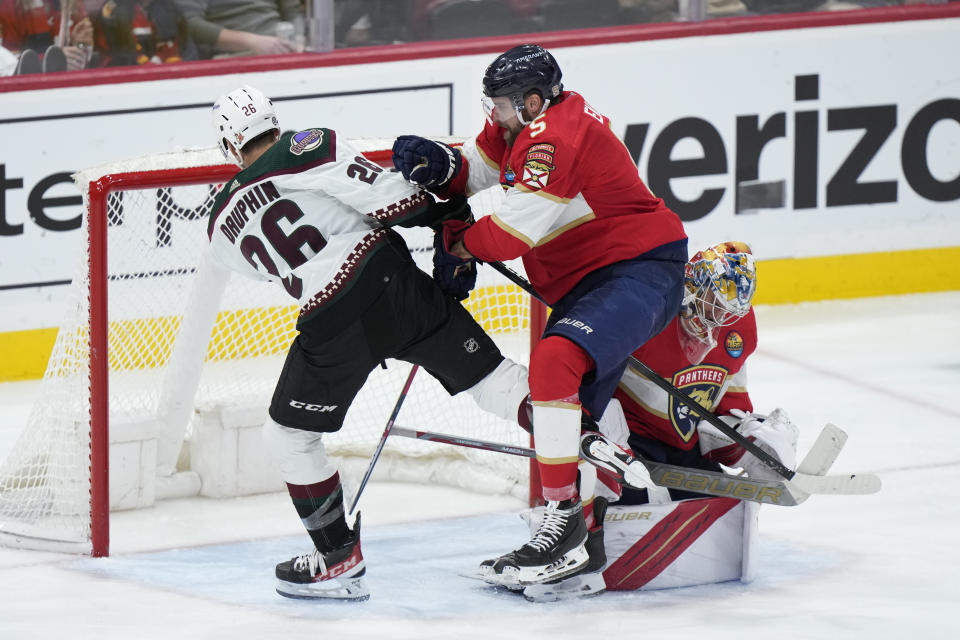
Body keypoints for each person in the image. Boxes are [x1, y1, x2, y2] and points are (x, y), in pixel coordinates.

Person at [208, 85, 531, 600]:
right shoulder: (305, 145)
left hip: (330, 326)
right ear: (274, 121)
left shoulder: (219, 222)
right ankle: (593, 456)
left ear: (229, 146)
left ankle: (337, 557)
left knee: (289, 436)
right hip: (393, 286)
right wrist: (449, 220)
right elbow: (395, 201)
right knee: (497, 382)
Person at [392, 43, 688, 588]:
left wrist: (458, 242)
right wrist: (444, 163)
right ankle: (579, 542)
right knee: (567, 419)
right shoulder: (521, 125)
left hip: (638, 271)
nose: (492, 114)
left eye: (499, 104)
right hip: (589, 285)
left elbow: (510, 236)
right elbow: (478, 169)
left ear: (531, 102)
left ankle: (564, 524)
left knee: (553, 364)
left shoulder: (557, 137)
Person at [585, 241, 799, 507]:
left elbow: (731, 396)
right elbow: (590, 384)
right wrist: (604, 438)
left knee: (721, 507)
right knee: (623, 500)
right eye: (716, 303)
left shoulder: (738, 328)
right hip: (632, 441)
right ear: (693, 287)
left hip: (688, 446)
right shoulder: (649, 312)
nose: (722, 316)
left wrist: (744, 437)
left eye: (731, 310)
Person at [175, 0, 303, 57]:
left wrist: (299, 39)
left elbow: (293, 12)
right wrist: (251, 42)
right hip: (233, 59)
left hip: (284, 51)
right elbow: (189, 25)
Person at [91, 0, 197, 66]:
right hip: (129, 86)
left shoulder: (170, 7)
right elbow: (120, 58)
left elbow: (188, 52)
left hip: (173, 82)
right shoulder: (111, 10)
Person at [0, 0, 93, 72]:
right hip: (31, 91)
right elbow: (8, 65)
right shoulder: (11, 5)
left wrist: (80, 46)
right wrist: (50, 60)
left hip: (70, 85)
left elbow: (91, 58)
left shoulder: (74, 4)